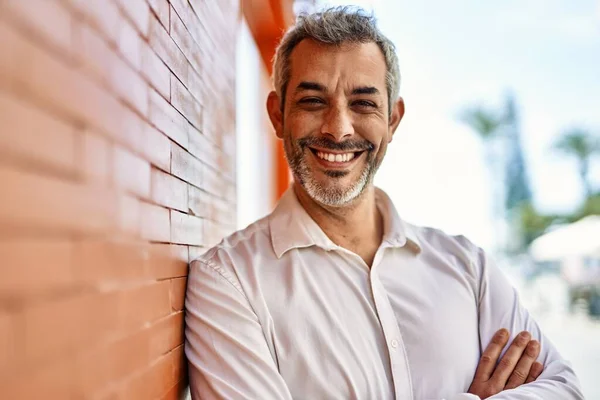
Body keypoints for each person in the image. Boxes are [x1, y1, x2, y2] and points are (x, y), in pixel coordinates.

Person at [184, 7, 583, 400]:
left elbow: (565, 390)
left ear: (392, 119)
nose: (338, 130)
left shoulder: (468, 268)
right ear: (277, 114)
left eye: (363, 103)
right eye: (312, 101)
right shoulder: (229, 283)